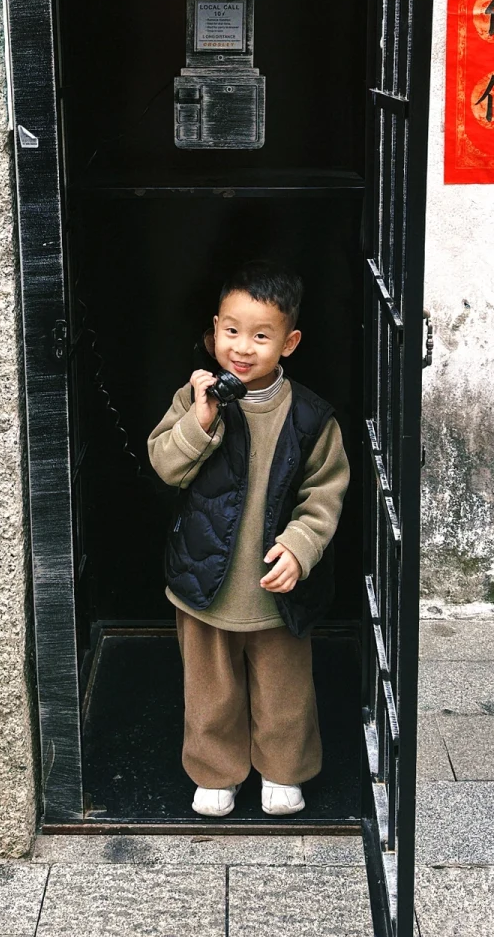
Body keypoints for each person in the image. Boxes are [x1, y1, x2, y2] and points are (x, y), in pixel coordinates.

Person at [148, 260, 350, 818]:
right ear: (213, 329)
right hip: (205, 578)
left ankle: (284, 771)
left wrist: (300, 547)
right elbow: (165, 465)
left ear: (290, 342)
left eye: (262, 336)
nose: (242, 347)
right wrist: (201, 420)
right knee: (210, 689)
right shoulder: (197, 401)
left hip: (274, 585)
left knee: (284, 689)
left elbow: (324, 492)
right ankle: (216, 772)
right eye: (231, 331)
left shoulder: (310, 416)